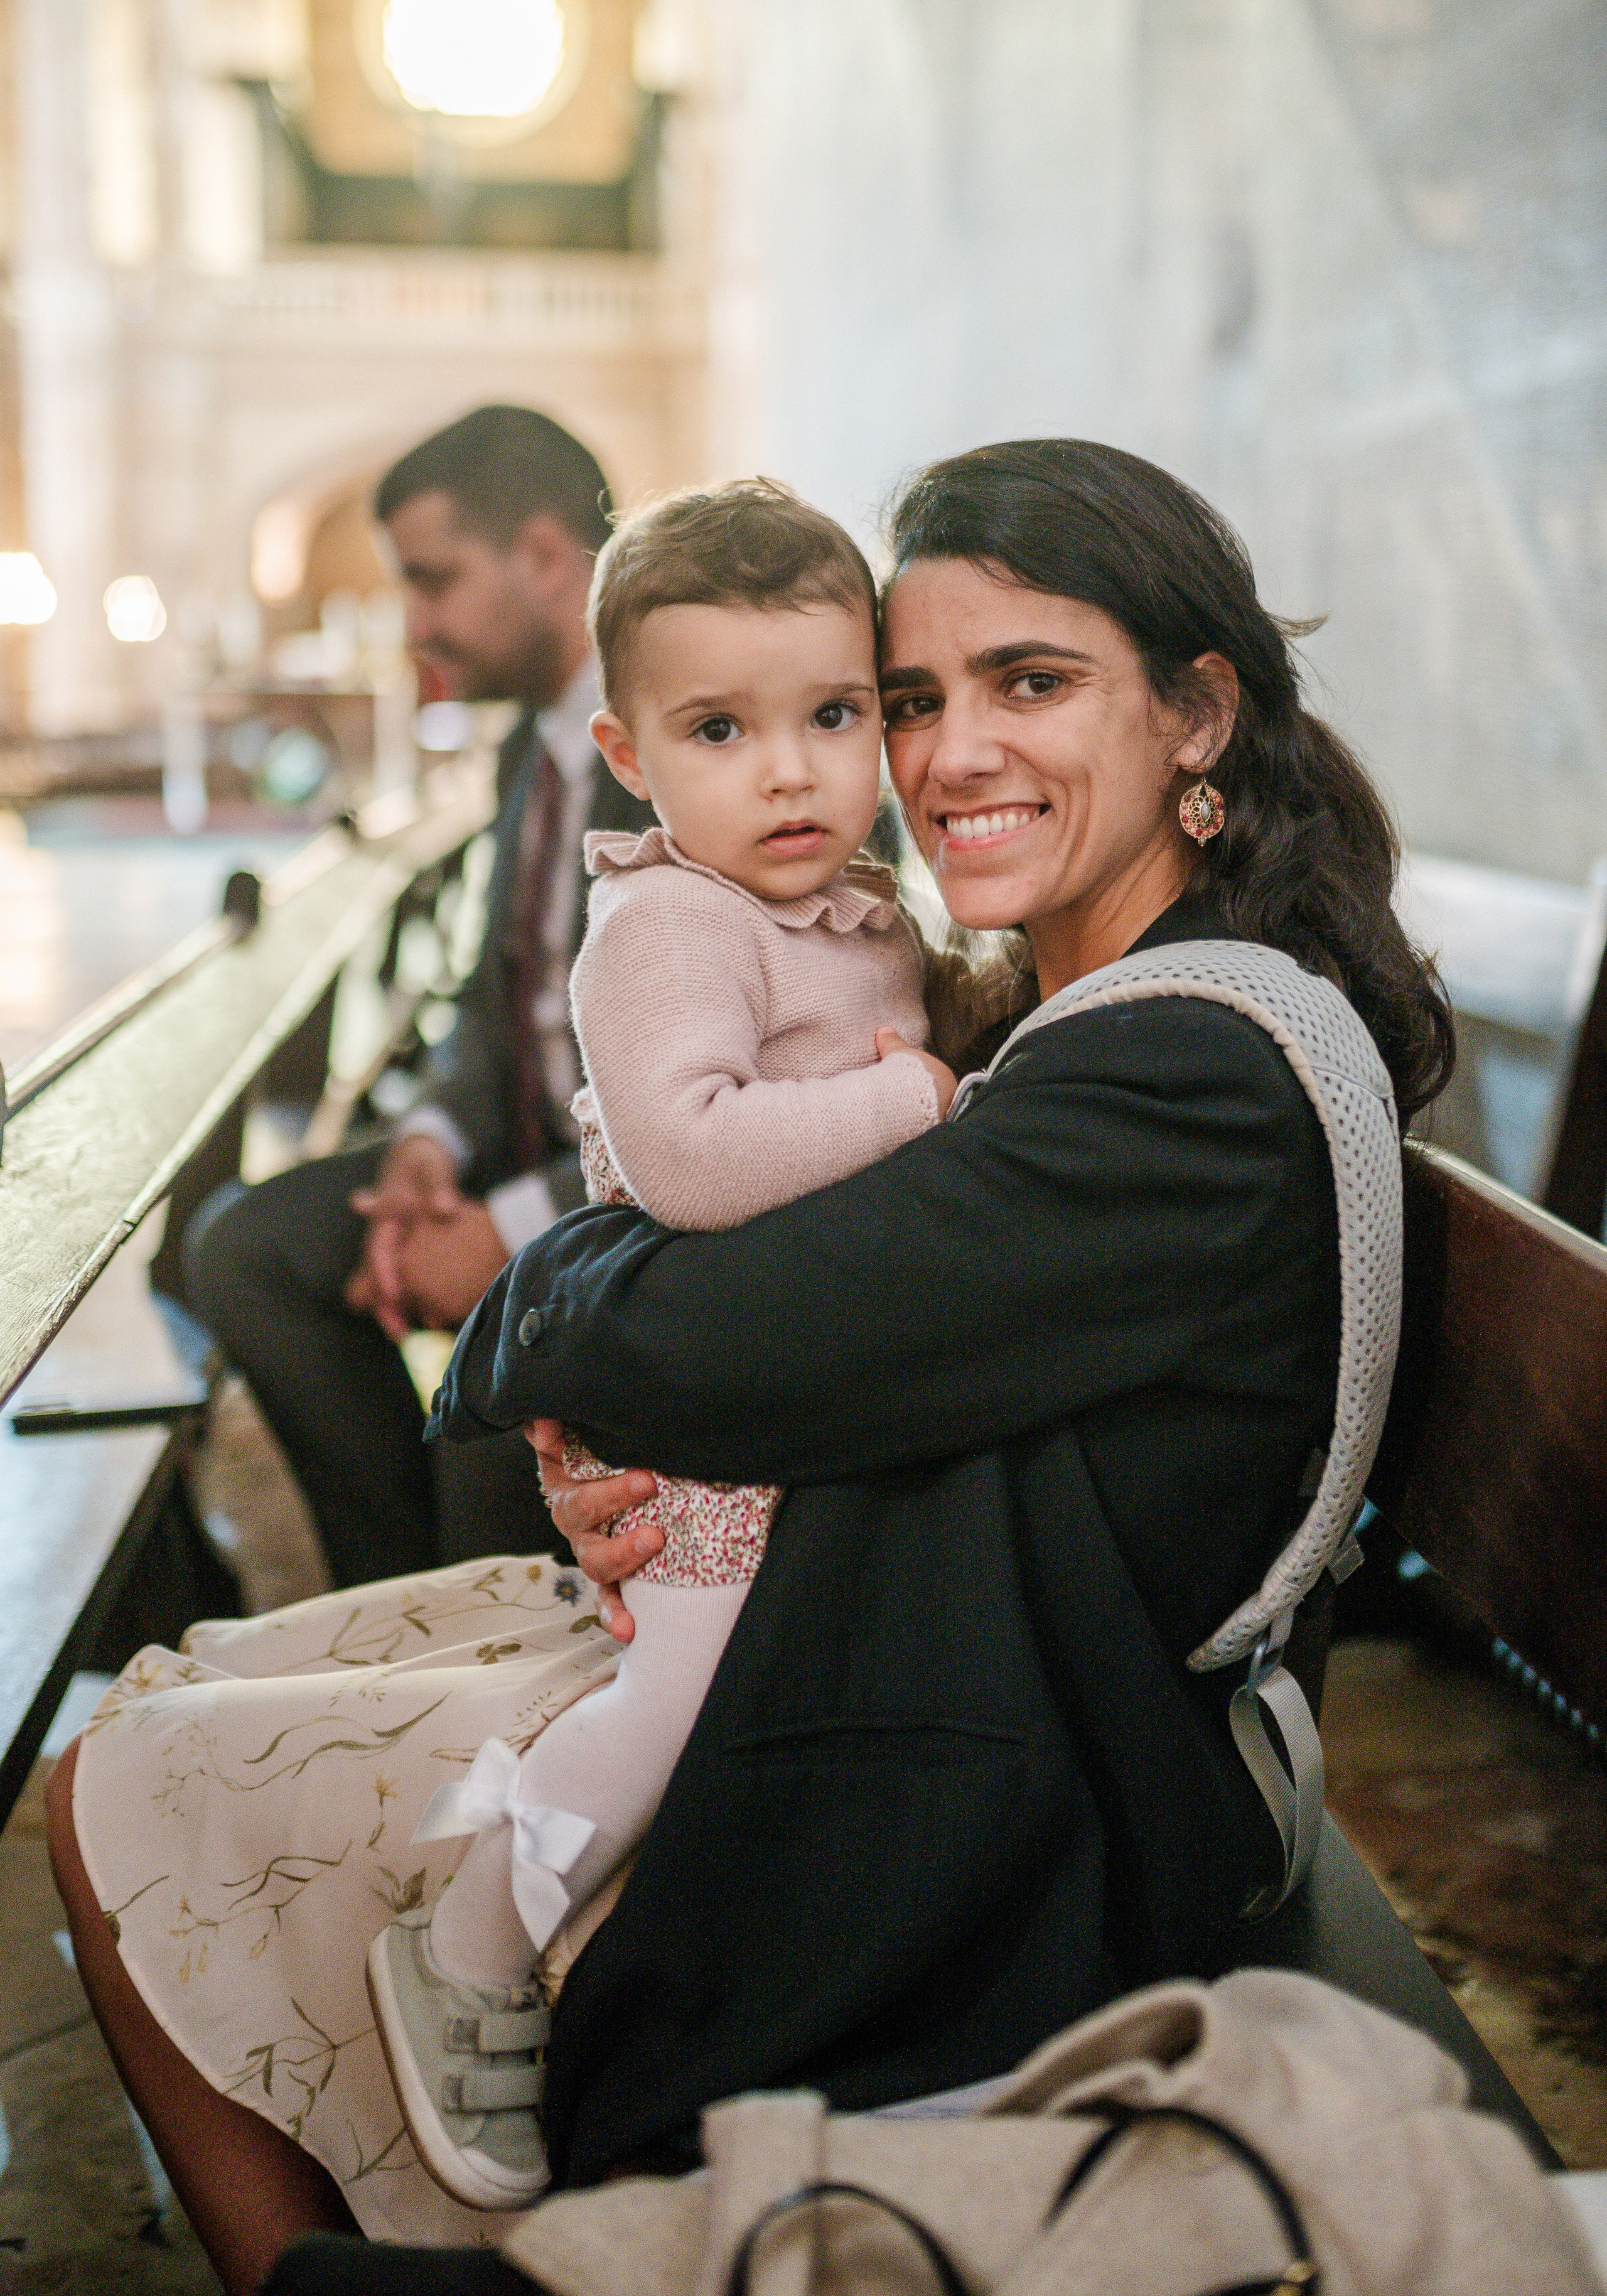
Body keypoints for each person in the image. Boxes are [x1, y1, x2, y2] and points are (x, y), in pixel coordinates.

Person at [46, 439, 1452, 2296]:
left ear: (1198, 714)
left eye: (1030, 683)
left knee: (126, 1786)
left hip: (998, 1805)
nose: (947, 756)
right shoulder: (1071, 1011)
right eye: (915, 699)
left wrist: (555, 1341)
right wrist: (613, 1399)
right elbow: (749, 1309)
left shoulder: (1188, 1074)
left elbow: (705, 1326)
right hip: (884, 1655)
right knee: (149, 1744)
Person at [367, 480, 950, 2210]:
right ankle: (469, 1942)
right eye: (720, 730)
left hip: (794, 1388)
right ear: (629, 753)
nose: (789, 774)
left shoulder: (856, 908)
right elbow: (689, 1160)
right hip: (702, 1415)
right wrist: (917, 1101)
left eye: (832, 716)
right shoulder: (671, 924)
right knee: (677, 1699)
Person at [185, 406, 650, 1587]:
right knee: (243, 1250)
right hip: (508, 1152)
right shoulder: (526, 750)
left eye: (433, 580)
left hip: (642, 1200)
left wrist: (508, 1230)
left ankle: (450, 1590)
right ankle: (389, 1590)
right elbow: (493, 1008)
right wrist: (430, 1148)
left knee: (485, 1418)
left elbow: (725, 1076)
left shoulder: (681, 744)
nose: (415, 624)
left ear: (544, 557)